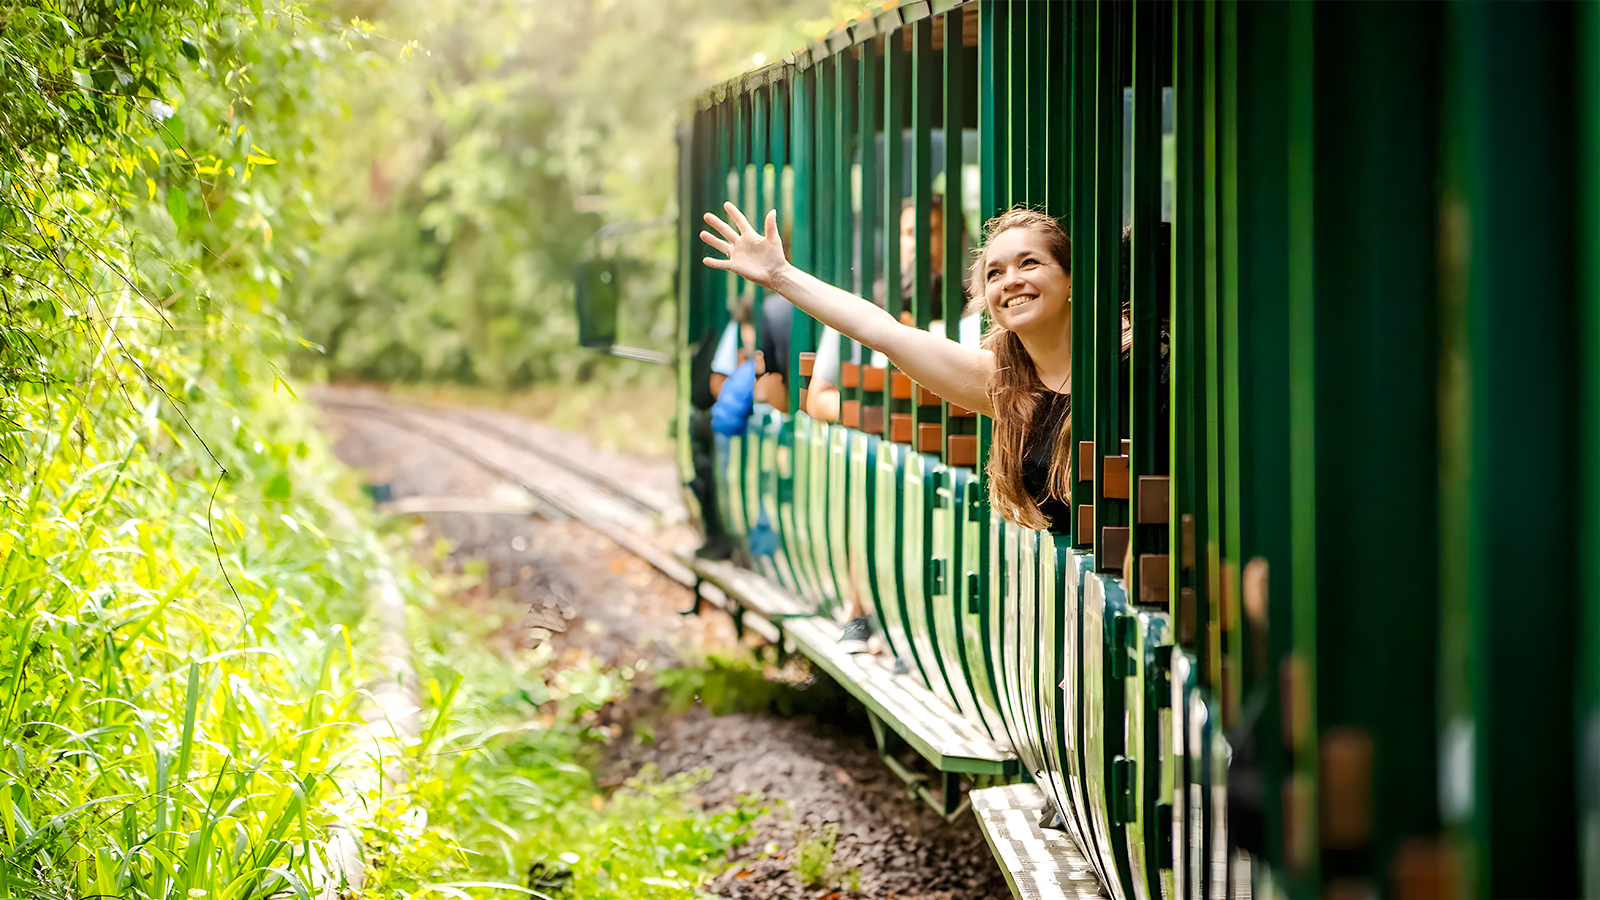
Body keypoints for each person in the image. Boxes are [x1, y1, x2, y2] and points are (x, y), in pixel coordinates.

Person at [701, 200, 1074, 534]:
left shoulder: (1121, 366)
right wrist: (780, 275)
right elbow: (883, 332)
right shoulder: (1004, 383)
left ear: (1071, 277)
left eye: (1029, 262)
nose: (1011, 281)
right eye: (994, 272)